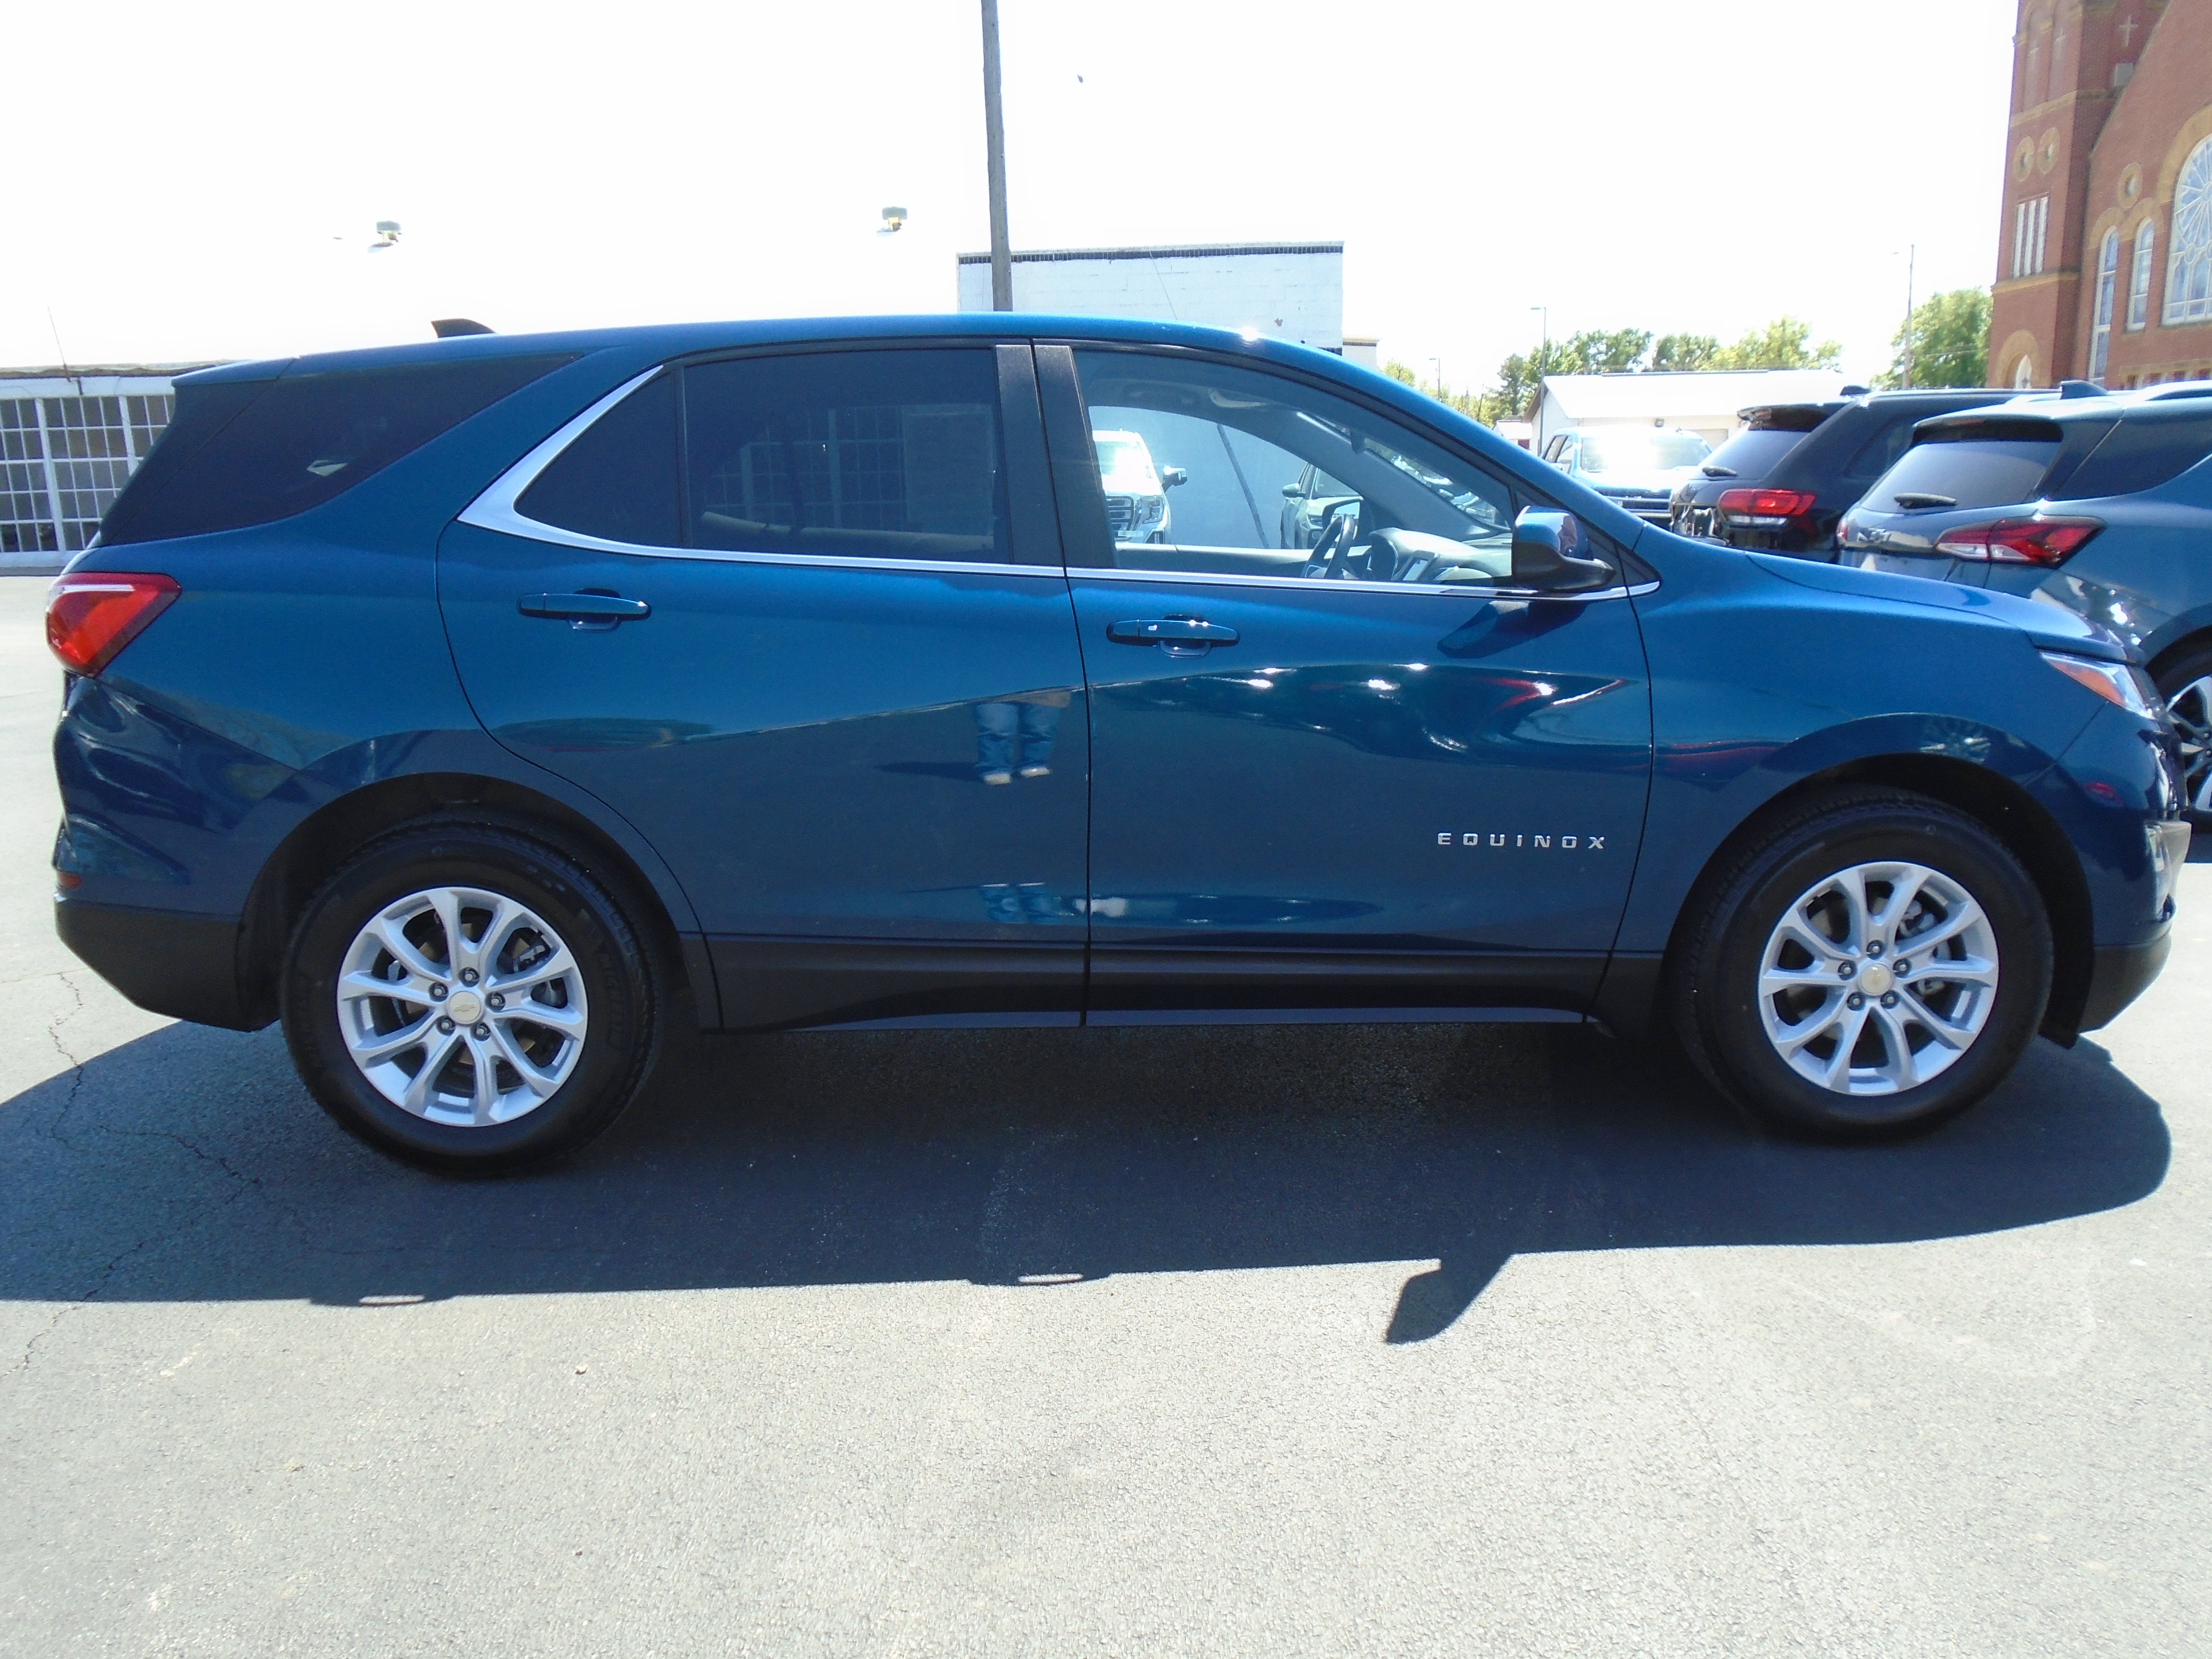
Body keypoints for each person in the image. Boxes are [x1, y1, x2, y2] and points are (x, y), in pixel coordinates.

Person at [972, 690, 1068, 785]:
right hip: (993, 683)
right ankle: (995, 767)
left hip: (1043, 683)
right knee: (996, 728)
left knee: (1041, 729)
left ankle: (1035, 762)